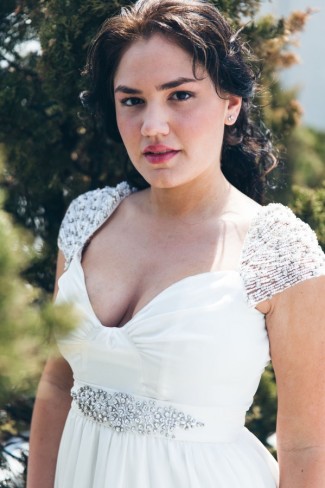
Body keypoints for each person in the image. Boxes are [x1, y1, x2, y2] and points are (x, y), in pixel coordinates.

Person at [27, 0, 325, 487]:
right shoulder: (87, 220)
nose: (153, 126)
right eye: (132, 100)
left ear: (231, 104)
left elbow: (308, 444)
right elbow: (58, 384)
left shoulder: (279, 250)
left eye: (180, 95)